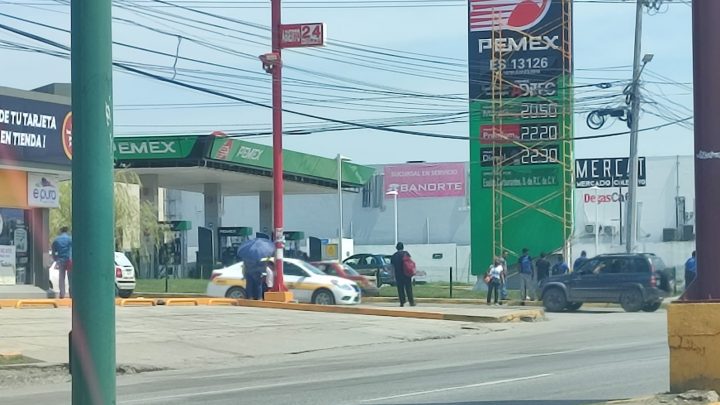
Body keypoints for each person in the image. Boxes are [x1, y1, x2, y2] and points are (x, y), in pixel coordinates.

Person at [390, 242, 415, 307]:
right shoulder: (406, 253)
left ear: (396, 248)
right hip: (407, 274)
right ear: (403, 247)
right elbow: (410, 262)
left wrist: (392, 275)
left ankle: (402, 302)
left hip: (398, 274)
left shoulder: (394, 255)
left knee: (400, 289)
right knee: (408, 288)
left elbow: (392, 267)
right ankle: (411, 302)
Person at [51, 226, 72, 299]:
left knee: (61, 278)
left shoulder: (56, 240)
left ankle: (62, 294)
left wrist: (56, 259)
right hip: (69, 260)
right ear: (67, 231)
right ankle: (71, 293)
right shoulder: (70, 239)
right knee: (70, 278)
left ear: (61, 231)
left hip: (60, 260)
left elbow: (53, 251)